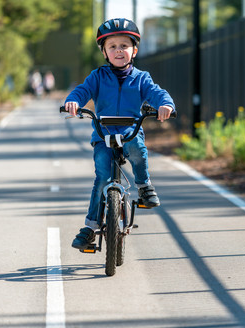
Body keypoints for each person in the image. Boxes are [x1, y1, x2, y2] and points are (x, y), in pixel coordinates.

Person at [64, 18, 175, 250]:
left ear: (134, 50)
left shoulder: (142, 78)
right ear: (104, 52)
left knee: (137, 150)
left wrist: (166, 105)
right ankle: (90, 227)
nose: (118, 51)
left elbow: (157, 93)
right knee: (102, 176)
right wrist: (73, 101)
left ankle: (144, 186)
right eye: (112, 46)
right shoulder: (97, 77)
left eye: (124, 45)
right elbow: (82, 91)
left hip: (129, 131)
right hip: (103, 134)